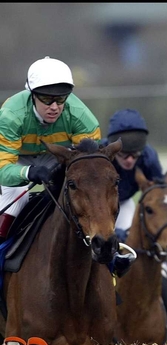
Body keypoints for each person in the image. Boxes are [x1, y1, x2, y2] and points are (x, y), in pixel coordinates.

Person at [0, 56, 133, 276]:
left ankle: (112, 256)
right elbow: (3, 170)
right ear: (32, 94)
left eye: (61, 99)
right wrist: (29, 172)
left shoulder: (82, 117)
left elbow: (91, 167)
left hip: (60, 157)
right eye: (46, 99)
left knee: (92, 193)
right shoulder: (11, 116)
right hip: (16, 161)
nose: (54, 107)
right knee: (14, 200)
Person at [102, 108, 167, 325]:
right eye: (124, 155)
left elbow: (159, 194)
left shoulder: (149, 156)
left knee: (135, 245)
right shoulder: (101, 154)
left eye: (135, 155)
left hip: (124, 202)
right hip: (99, 207)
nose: (130, 161)